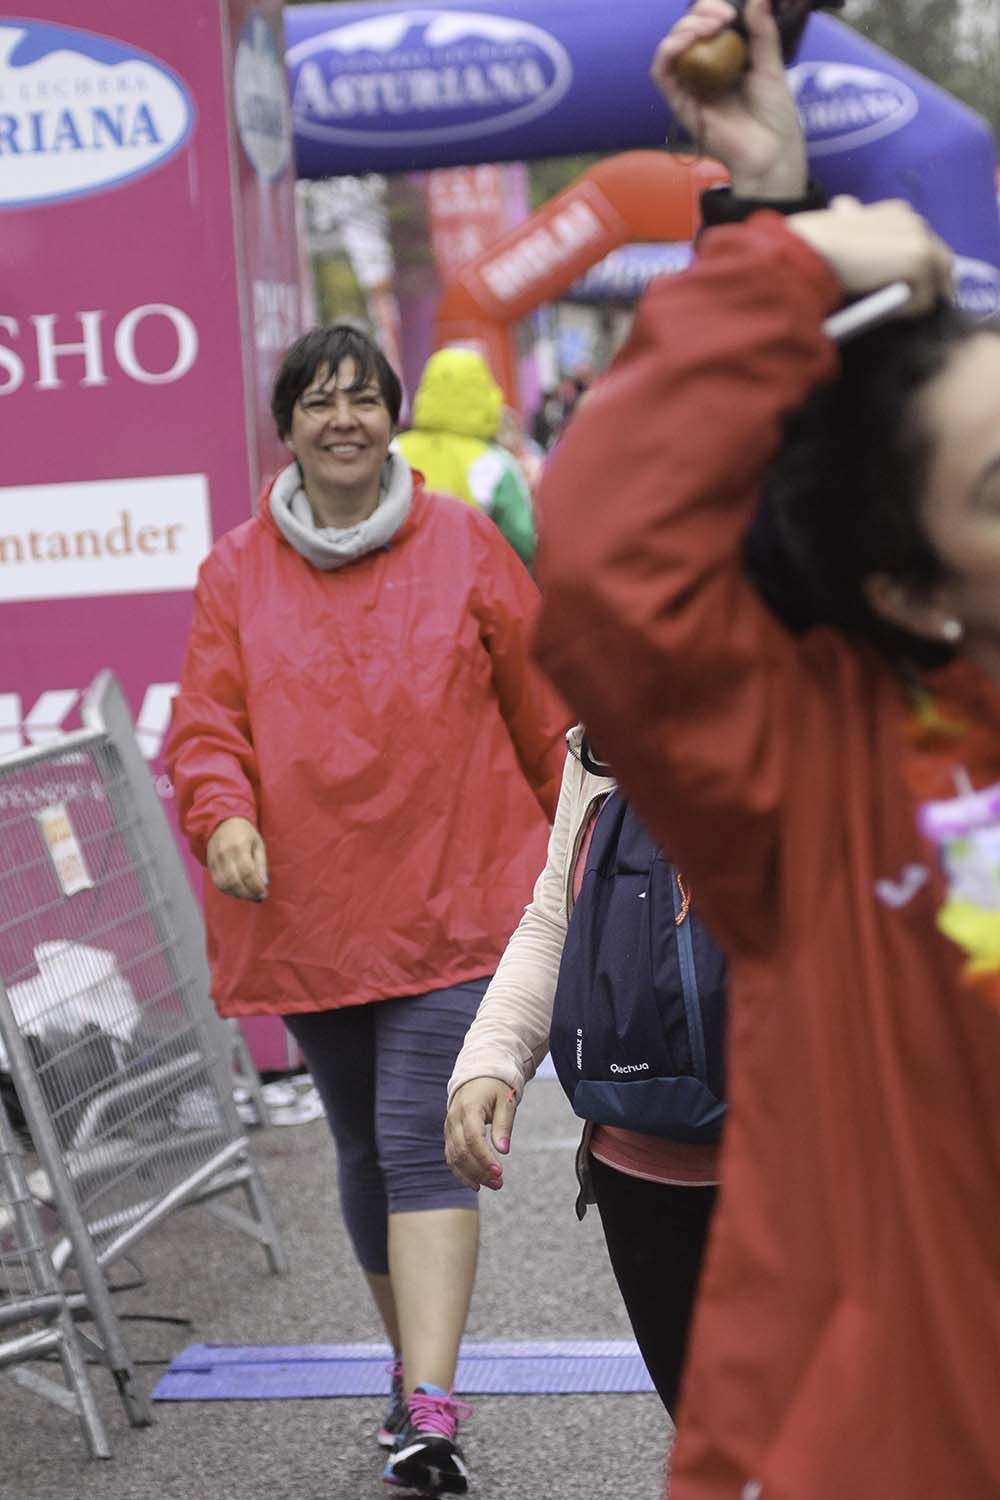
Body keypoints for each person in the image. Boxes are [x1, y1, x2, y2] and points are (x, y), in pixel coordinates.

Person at [532, 2, 1000, 1496]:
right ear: (908, 586)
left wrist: (774, 192)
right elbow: (616, 567)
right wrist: (781, 253)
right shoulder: (839, 780)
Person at [164, 322, 567, 1497]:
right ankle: (411, 1373)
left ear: (395, 417)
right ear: (285, 426)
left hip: (456, 893)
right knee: (357, 1150)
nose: (342, 418)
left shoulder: (467, 543)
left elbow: (543, 709)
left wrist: (577, 856)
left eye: (362, 399)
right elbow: (206, 724)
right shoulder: (234, 568)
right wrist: (221, 811)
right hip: (307, 908)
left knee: (415, 1141)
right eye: (318, 401)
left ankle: (431, 1411)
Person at [444, 726, 723, 1416]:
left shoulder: (838, 700)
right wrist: (490, 1060)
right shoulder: (603, 738)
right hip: (643, 1169)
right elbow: (557, 919)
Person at [396, 347, 537, 567]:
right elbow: (523, 541)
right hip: (474, 590)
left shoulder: (394, 452)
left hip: (401, 587)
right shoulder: (496, 464)